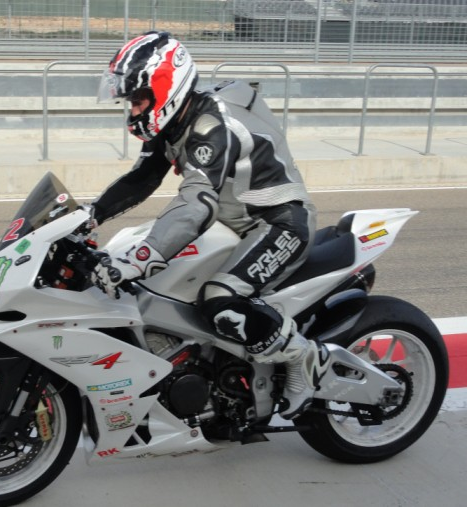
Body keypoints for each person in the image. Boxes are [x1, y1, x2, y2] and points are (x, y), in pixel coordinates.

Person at [90, 31, 330, 420]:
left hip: (278, 222)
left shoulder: (212, 126)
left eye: (138, 99)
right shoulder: (173, 121)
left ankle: (302, 356)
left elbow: (196, 204)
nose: (133, 110)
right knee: (165, 287)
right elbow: (141, 179)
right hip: (232, 222)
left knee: (219, 299)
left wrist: (139, 258)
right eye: (130, 102)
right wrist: (88, 215)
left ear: (165, 89)